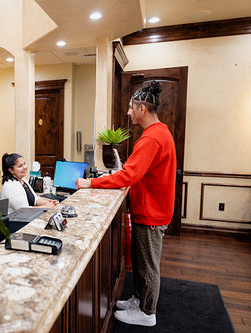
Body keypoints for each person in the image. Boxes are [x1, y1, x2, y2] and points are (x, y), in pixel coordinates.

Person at [75, 81, 176, 327]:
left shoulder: (152, 138)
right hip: (150, 208)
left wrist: (93, 183)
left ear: (142, 109)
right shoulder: (158, 132)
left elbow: (129, 175)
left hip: (152, 211)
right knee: (141, 261)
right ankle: (140, 299)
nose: (129, 112)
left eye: (131, 108)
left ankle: (147, 312)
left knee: (148, 265)